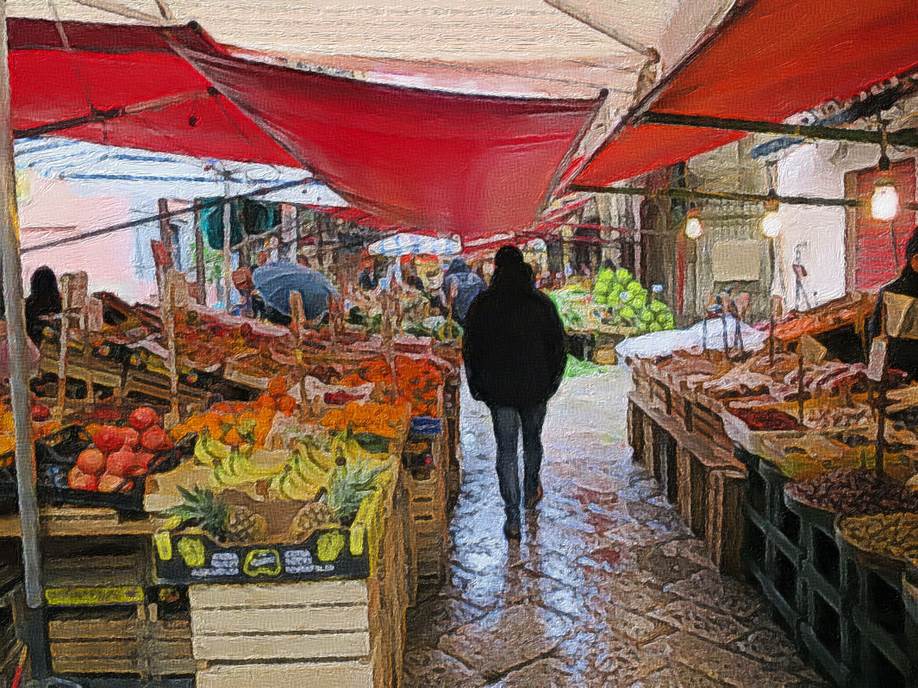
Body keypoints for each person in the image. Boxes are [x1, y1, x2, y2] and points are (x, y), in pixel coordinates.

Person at [463, 245, 567, 540]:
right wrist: (550, 383)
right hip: (535, 390)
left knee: (506, 451)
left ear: (496, 268)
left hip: (500, 393)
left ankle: (512, 516)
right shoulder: (541, 304)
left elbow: (470, 350)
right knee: (533, 442)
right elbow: (560, 348)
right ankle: (531, 489)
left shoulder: (483, 305)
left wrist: (478, 387)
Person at [868, 226, 918, 379]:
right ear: (914, 259)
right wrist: (876, 375)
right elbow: (875, 334)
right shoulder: (890, 292)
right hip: (897, 373)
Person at [235, 261, 338, 326]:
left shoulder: (259, 278)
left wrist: (297, 321)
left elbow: (291, 294)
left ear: (246, 284)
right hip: (323, 295)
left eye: (243, 288)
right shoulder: (267, 270)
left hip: (312, 302)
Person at [24, 266, 62, 345]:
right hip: (50, 342)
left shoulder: (30, 303)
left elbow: (29, 327)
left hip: (37, 343)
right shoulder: (58, 300)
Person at [443, 257, 485, 326]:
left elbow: (448, 298)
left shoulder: (449, 278)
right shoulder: (475, 277)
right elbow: (484, 291)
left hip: (458, 313)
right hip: (475, 311)